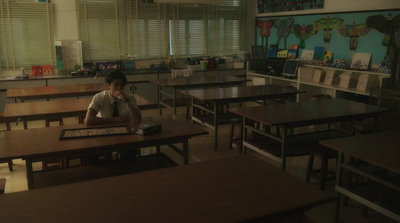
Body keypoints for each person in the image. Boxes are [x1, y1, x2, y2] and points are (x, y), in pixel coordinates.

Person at [84, 71, 142, 162]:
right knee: (90, 154)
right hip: (103, 133)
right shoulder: (99, 97)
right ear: (108, 85)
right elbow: (88, 120)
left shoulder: (129, 98)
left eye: (122, 85)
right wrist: (115, 120)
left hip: (124, 135)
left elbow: (138, 119)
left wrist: (126, 101)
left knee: (130, 154)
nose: (119, 88)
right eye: (116, 85)